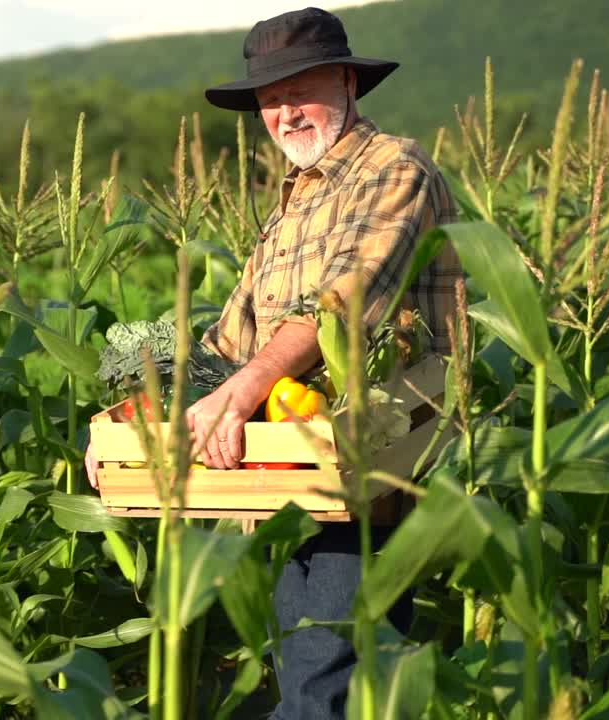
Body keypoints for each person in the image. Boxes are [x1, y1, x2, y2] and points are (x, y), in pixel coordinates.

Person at [88, 7, 461, 718]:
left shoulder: (395, 169)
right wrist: (122, 420)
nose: (284, 113)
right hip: (287, 482)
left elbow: (344, 300)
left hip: (367, 475)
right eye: (269, 99)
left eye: (300, 89)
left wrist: (247, 387)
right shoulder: (293, 204)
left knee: (326, 690)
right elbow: (227, 345)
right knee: (306, 682)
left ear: (348, 81)